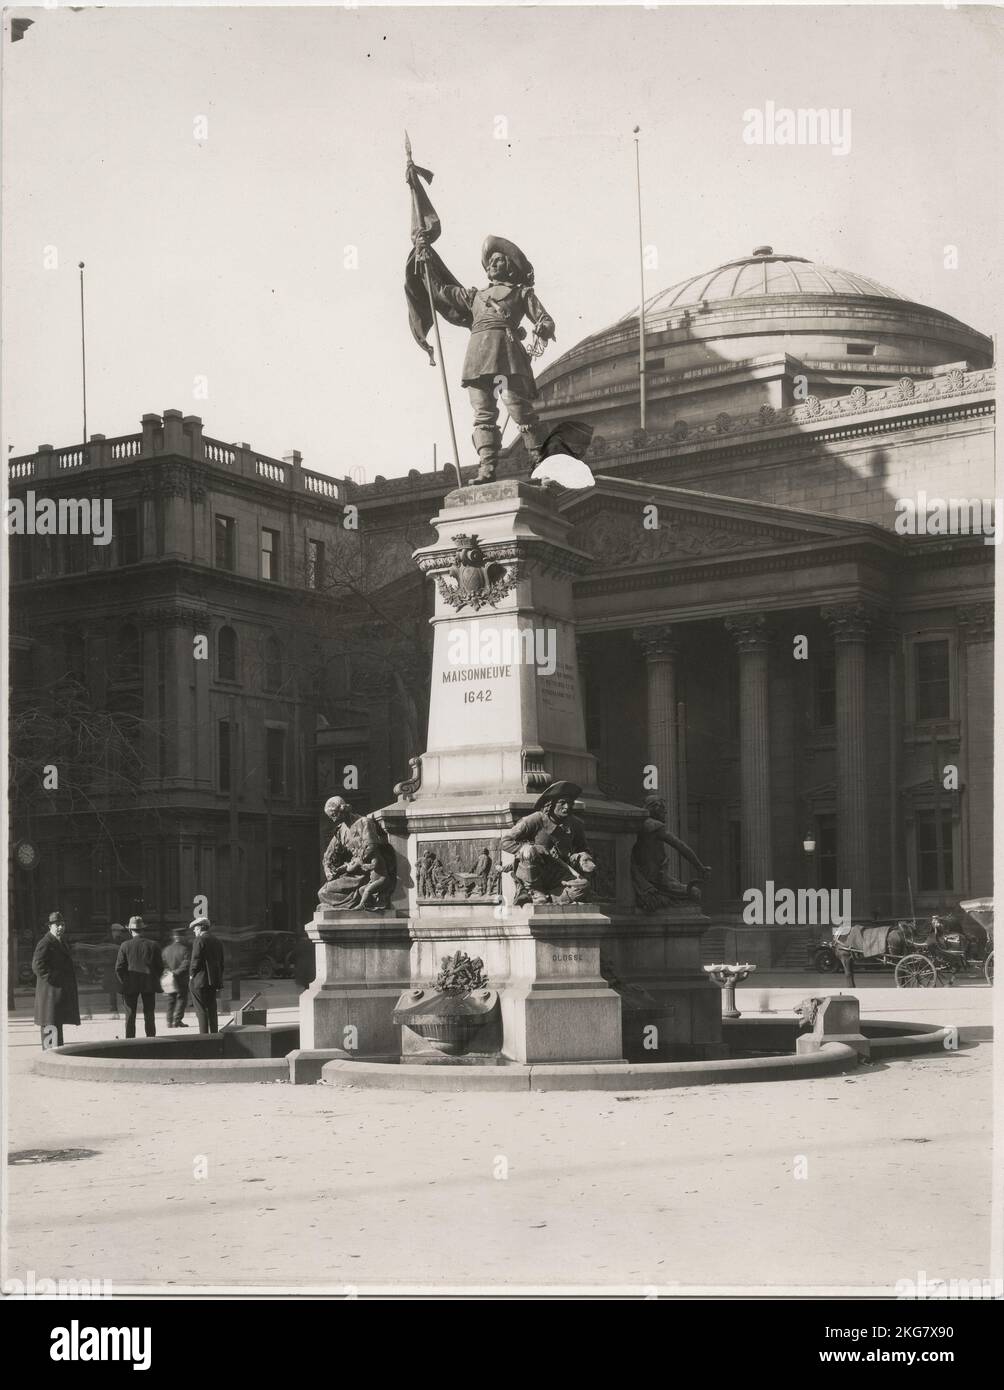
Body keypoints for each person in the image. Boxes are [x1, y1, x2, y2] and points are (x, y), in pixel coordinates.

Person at [415, 232, 555, 482]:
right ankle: (487, 468)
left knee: (519, 410)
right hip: (478, 357)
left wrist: (543, 327)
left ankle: (541, 463)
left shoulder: (522, 293)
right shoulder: (474, 296)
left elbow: (544, 319)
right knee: (483, 413)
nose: (492, 263)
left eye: (498, 260)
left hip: (508, 354)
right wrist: (424, 257)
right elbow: (440, 292)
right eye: (490, 261)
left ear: (509, 267)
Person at [501, 781, 595, 905]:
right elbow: (505, 841)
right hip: (534, 871)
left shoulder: (575, 824)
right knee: (529, 850)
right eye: (562, 803)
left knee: (584, 886)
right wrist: (531, 848)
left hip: (560, 872)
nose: (567, 807)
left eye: (570, 803)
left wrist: (582, 857)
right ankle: (535, 891)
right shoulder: (535, 819)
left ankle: (551, 898)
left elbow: (583, 848)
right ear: (550, 804)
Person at [631, 797, 712, 910]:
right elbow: (681, 846)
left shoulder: (638, 825)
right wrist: (700, 867)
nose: (665, 812)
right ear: (655, 808)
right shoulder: (655, 827)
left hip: (646, 877)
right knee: (694, 892)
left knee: (683, 888)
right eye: (663, 809)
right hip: (655, 879)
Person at [32, 911, 80, 1050]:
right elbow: (37, 966)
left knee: (56, 1025)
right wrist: (55, 979)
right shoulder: (45, 942)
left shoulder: (60, 941)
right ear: (50, 927)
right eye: (57, 925)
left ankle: (56, 1057)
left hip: (56, 995)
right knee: (50, 1025)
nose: (60, 928)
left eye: (62, 925)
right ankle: (48, 1059)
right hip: (49, 995)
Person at [115, 916, 163, 1039]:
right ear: (143, 930)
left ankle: (130, 1041)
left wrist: (125, 981)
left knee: (130, 1015)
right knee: (149, 1014)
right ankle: (151, 1039)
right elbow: (160, 967)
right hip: (149, 984)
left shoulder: (125, 946)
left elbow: (119, 968)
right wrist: (153, 978)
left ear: (130, 931)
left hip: (130, 984)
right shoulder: (153, 945)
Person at [189, 916, 225, 1034]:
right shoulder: (217, 941)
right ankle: (214, 1035)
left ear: (199, 928)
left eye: (195, 928)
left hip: (199, 981)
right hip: (213, 982)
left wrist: (191, 975)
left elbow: (195, 959)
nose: (194, 931)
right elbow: (221, 962)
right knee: (212, 1010)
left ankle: (204, 1037)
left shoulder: (199, 940)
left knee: (201, 1010)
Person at [161, 927, 191, 1029]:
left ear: (174, 937)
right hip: (181, 978)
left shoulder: (166, 950)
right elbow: (186, 964)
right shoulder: (185, 949)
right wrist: (176, 973)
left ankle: (169, 1021)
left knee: (170, 999)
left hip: (169, 979)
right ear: (182, 937)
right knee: (182, 999)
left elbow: (163, 964)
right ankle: (177, 1020)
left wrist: (169, 973)